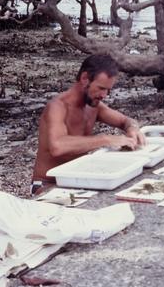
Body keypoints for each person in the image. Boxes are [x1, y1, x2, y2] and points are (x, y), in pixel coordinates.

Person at [30, 53, 146, 195]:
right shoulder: (58, 107)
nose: (105, 95)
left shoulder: (94, 106)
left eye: (108, 90)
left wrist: (133, 128)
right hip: (47, 184)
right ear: (84, 78)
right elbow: (57, 146)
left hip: (78, 181)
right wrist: (105, 139)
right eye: (101, 88)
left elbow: (125, 121)